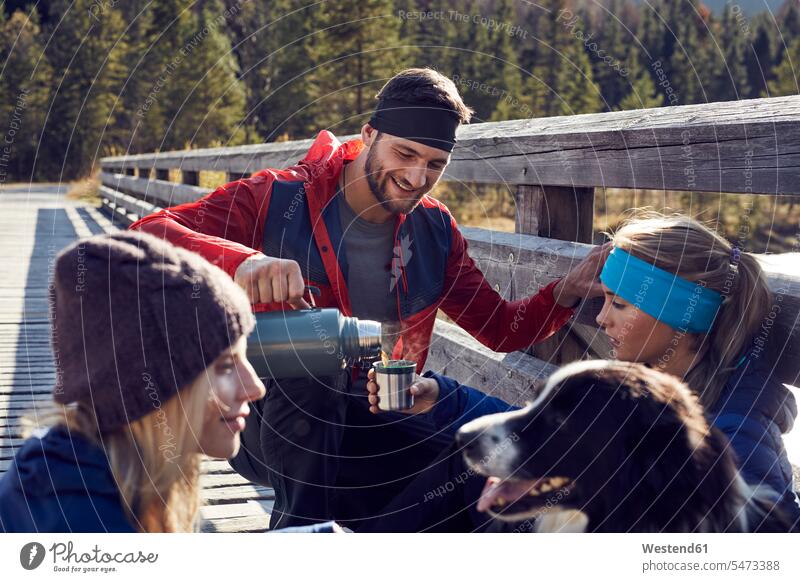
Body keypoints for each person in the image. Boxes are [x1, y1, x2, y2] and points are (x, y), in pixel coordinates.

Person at [129, 67, 606, 529]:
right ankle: (302, 539)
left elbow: (501, 329)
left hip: (376, 424)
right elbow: (144, 237)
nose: (417, 178)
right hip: (266, 421)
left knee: (478, 473)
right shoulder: (275, 199)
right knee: (315, 363)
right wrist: (241, 261)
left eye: (435, 164)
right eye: (405, 153)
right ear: (369, 135)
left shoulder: (436, 230)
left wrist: (564, 292)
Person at [364, 212, 800, 530]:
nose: (600, 319)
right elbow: (557, 428)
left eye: (621, 304)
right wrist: (444, 398)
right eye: (604, 299)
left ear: (684, 316)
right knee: (475, 469)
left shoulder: (738, 426)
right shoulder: (650, 379)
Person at [0, 232, 339, 533]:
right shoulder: (72, 520)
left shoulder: (90, 477)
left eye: (245, 360)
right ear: (148, 386)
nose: (255, 388)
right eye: (223, 366)